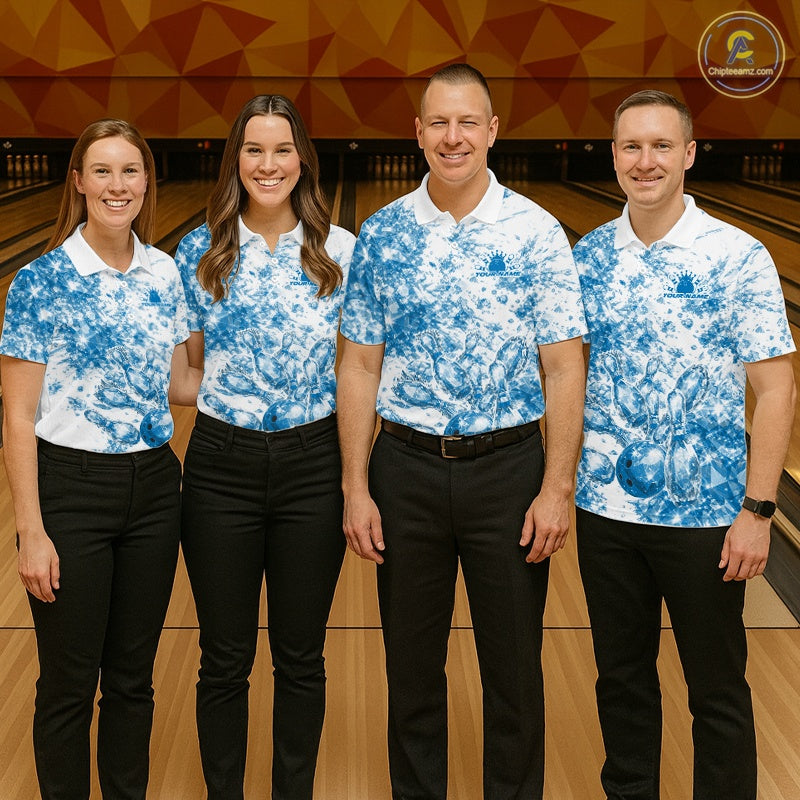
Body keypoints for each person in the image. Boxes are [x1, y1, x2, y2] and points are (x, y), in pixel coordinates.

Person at [337, 63, 587, 799]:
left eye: (467, 122)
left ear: (492, 131)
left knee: (514, 673)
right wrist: (355, 486)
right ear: (417, 133)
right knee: (412, 672)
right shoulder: (383, 234)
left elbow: (564, 368)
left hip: (508, 473)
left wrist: (557, 488)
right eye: (439, 123)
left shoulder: (536, 232)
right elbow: (359, 365)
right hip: (405, 470)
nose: (453, 137)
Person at [573, 90, 797, 799]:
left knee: (716, 688)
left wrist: (758, 511)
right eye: (632, 146)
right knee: (621, 681)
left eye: (662, 145)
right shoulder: (588, 256)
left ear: (690, 154)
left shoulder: (738, 255)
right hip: (606, 513)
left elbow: (777, 389)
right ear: (614, 156)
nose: (646, 161)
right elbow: (563, 376)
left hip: (707, 518)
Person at [0, 119, 198, 800]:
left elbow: (181, 384)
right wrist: (31, 531)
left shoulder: (164, 273)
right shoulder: (40, 283)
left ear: (147, 181)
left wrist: (288, 381)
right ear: (79, 182)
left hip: (154, 488)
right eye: (103, 171)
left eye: (130, 170)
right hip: (70, 491)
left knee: (132, 681)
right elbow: (17, 418)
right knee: (67, 683)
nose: (118, 185)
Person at [175, 94, 354, 800]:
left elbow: (360, 369)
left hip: (315, 466)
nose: (268, 164)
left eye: (283, 150)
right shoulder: (200, 252)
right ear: (236, 160)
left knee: (301, 658)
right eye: (254, 150)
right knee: (223, 660)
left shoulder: (342, 253)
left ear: (303, 160)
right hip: (221, 467)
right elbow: (189, 371)